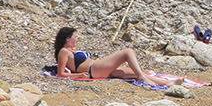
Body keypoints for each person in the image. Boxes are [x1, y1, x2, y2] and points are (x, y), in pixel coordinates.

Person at [53, 27, 181, 86]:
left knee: (134, 72)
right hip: (93, 69)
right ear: (68, 38)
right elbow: (60, 73)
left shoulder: (72, 50)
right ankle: (143, 78)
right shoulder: (64, 52)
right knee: (127, 51)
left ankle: (167, 83)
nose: (77, 39)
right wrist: (78, 76)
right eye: (76, 37)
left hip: (98, 69)